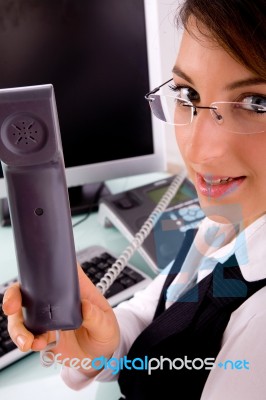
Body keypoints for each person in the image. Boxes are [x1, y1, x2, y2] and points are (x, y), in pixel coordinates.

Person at [2, 0, 266, 398]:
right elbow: (159, 308)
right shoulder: (229, 220)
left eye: (256, 103)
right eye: (187, 93)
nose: (198, 149)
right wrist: (102, 346)